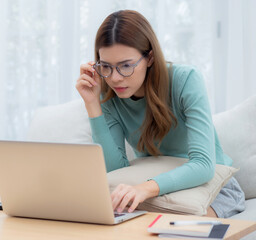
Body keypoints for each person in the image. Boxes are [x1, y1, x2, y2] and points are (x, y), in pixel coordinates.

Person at [75, 10, 245, 218]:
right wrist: (93, 104)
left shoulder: (186, 80)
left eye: (126, 66)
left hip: (213, 186)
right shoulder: (110, 95)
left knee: (170, 231)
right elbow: (115, 171)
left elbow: (203, 165)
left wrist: (144, 189)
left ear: (150, 57)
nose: (115, 78)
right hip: (154, 188)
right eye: (107, 67)